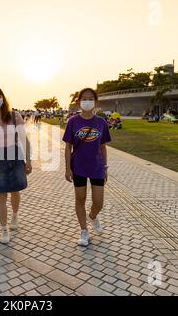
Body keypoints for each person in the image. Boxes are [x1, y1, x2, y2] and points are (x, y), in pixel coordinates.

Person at [0, 86, 32, 244]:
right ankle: (4, 230)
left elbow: (24, 139)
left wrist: (29, 161)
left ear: (3, 98)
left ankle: (15, 216)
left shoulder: (14, 116)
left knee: (15, 191)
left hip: (16, 157)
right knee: (1, 195)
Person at [63, 88, 111, 247]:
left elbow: (103, 147)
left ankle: (92, 215)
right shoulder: (72, 122)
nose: (87, 101)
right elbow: (68, 146)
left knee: (99, 202)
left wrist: (105, 167)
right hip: (78, 167)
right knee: (80, 199)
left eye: (91, 99)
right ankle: (84, 231)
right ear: (79, 102)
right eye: (84, 99)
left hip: (97, 166)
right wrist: (67, 168)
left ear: (95, 102)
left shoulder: (101, 122)